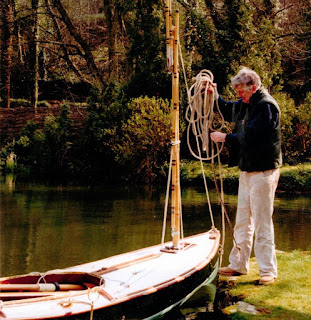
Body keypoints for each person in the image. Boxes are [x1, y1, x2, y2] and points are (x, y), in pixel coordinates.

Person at [210, 67, 282, 285]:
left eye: (241, 91)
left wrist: (225, 137)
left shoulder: (266, 106)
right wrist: (213, 95)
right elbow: (228, 109)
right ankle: (239, 265)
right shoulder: (247, 102)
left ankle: (268, 271)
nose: (239, 95)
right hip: (248, 170)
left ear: (254, 86)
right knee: (243, 220)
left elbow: (253, 136)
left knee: (262, 222)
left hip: (263, 171)